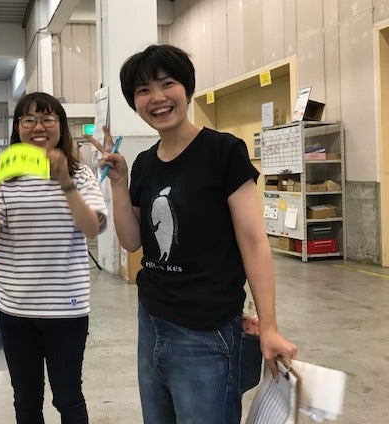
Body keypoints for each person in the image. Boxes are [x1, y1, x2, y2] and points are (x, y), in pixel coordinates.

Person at [85, 44, 298, 424]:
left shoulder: (223, 152)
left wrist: (269, 326)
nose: (157, 97)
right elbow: (132, 241)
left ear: (187, 88)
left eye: (167, 83)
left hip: (207, 329)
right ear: (135, 102)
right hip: (152, 320)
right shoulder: (145, 164)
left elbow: (254, 242)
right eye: (144, 90)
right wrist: (119, 184)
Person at [0, 91, 108, 424]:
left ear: (60, 126)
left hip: (67, 308)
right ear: (17, 127)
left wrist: (65, 182)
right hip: (16, 309)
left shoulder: (80, 174)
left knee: (68, 398)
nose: (39, 127)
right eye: (29, 119)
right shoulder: (3, 177)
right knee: (26, 400)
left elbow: (91, 229)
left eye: (48, 119)